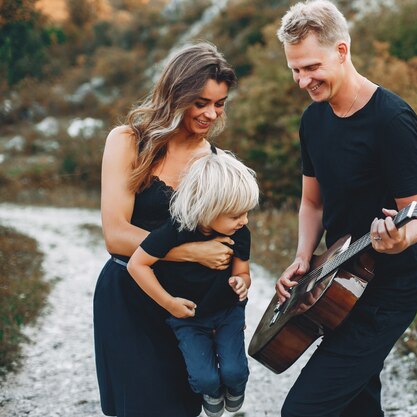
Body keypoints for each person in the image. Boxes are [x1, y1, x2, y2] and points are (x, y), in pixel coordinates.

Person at [274, 1, 417, 416]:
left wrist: (398, 242)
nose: (302, 80)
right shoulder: (313, 120)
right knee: (357, 407)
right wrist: (303, 258)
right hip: (334, 283)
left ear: (341, 51)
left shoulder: (393, 120)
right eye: (295, 70)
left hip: (387, 292)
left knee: (303, 410)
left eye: (311, 67)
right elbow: (312, 201)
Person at [93, 42, 238, 417]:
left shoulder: (215, 162)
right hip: (129, 300)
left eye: (219, 104)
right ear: (176, 94)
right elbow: (116, 234)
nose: (211, 114)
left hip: (187, 311)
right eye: (201, 102)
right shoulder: (128, 141)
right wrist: (190, 251)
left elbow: (232, 234)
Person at [127, 150, 258, 417]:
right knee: (204, 378)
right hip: (188, 317)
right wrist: (169, 303)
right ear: (207, 208)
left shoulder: (240, 233)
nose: (243, 221)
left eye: (246, 213)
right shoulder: (173, 231)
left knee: (234, 371)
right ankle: (210, 390)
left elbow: (243, 271)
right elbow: (136, 265)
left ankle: (235, 387)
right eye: (235, 215)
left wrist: (242, 282)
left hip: (227, 312)